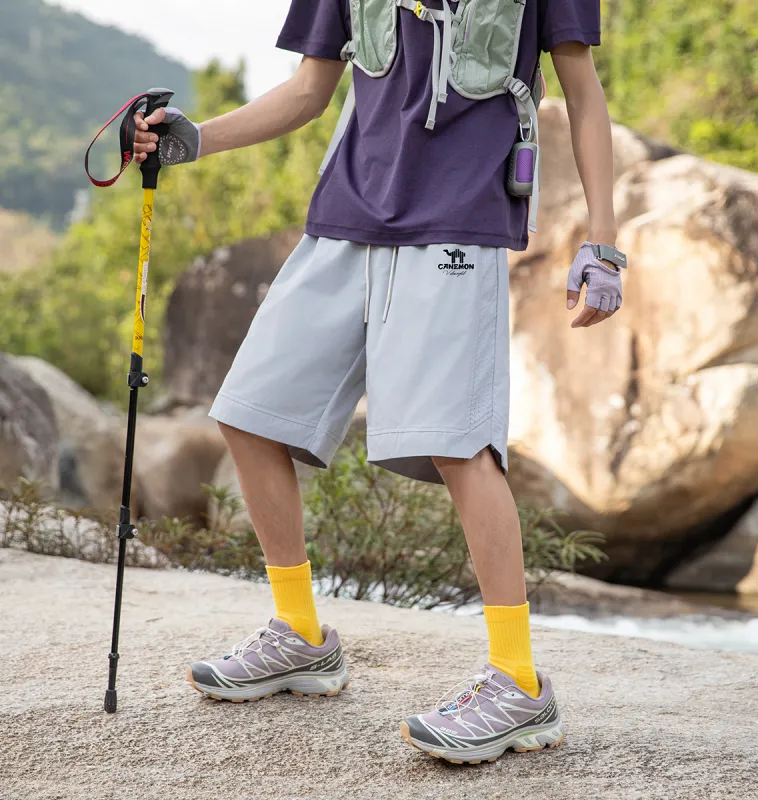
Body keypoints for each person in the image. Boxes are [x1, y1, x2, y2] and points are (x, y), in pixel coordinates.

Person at [132, 0, 624, 764]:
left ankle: (519, 683)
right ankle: (300, 635)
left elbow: (583, 94)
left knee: (461, 446)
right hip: (344, 216)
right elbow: (308, 90)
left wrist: (604, 242)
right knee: (250, 414)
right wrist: (192, 139)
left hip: (459, 221)